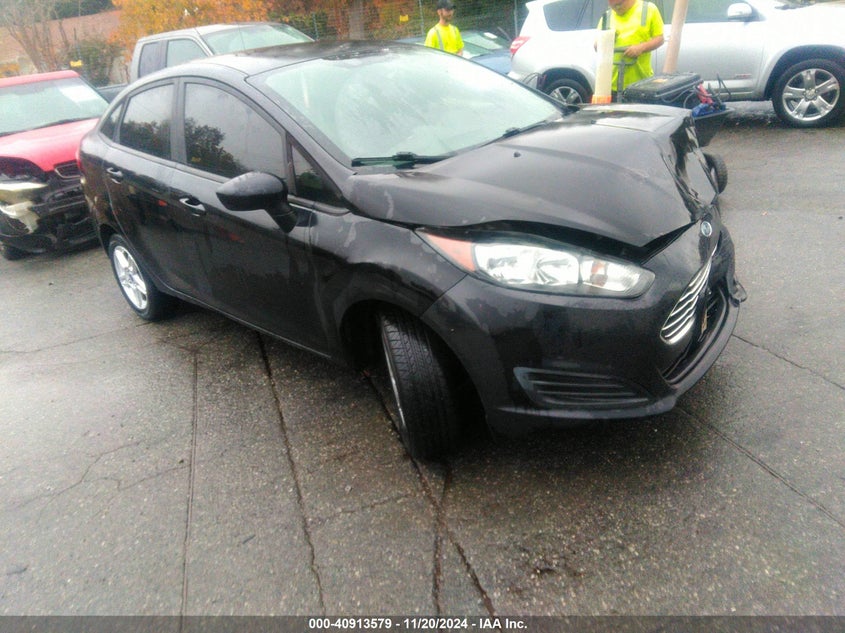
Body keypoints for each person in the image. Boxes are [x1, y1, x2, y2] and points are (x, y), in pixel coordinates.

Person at [598, 0, 664, 96]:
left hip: (641, 84)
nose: (617, 8)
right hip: (612, 85)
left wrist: (641, 48)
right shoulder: (607, 16)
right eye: (613, 5)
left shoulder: (648, 9)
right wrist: (606, 39)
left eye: (619, 4)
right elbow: (597, 45)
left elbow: (659, 39)